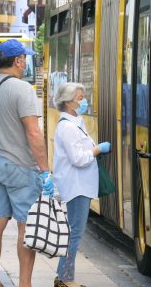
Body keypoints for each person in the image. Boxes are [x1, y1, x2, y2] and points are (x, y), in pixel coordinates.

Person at [0, 39, 52, 287]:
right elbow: (33, 133)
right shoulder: (22, 89)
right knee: (25, 225)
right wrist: (45, 170)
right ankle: (25, 283)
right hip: (18, 166)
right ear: (17, 61)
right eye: (24, 58)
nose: (26, 62)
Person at [52, 82, 112, 287]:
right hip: (76, 186)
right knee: (75, 232)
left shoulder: (76, 122)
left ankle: (62, 275)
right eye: (80, 98)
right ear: (68, 102)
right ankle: (66, 278)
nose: (84, 100)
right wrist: (97, 150)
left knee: (74, 230)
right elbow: (78, 158)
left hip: (81, 184)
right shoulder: (68, 127)